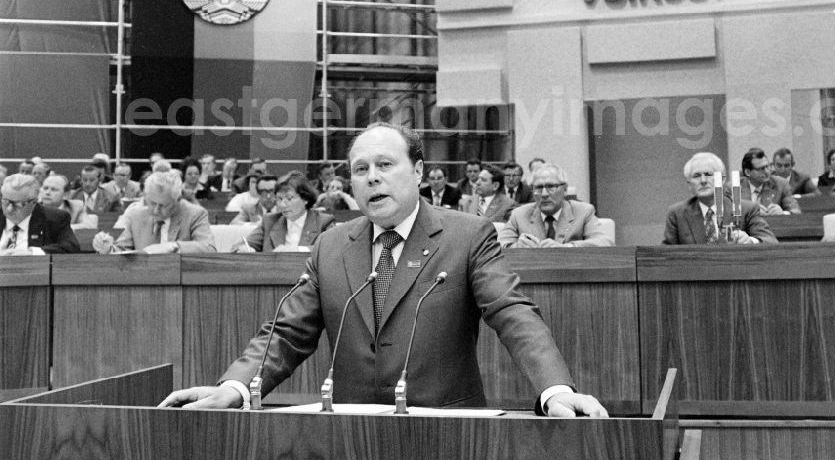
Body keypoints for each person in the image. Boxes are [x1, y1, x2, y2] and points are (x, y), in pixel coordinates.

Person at [158, 122, 607, 417]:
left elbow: (514, 314)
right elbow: (286, 332)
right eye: (360, 169)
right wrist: (234, 388)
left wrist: (555, 391)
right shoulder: (332, 244)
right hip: (351, 437)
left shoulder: (468, 235)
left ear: (418, 171)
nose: (372, 177)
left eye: (385, 165)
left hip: (447, 434)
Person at [662, 152, 777, 246]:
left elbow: (771, 242)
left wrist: (750, 241)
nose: (703, 181)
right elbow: (666, 254)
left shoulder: (746, 209)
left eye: (708, 174)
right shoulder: (677, 213)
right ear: (689, 184)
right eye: (696, 176)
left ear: (722, 180)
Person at [92, 171, 216, 254]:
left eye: (163, 205)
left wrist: (174, 246)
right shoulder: (136, 215)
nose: (156, 210)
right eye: (151, 203)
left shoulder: (195, 214)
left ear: (178, 200)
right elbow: (122, 250)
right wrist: (108, 249)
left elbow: (209, 248)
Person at [498, 163, 614, 248]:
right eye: (538, 188)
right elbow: (498, 246)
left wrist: (567, 248)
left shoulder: (583, 211)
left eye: (551, 187)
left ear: (565, 189)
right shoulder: (520, 214)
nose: (544, 194)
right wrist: (517, 247)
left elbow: (605, 242)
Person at [241, 172, 336, 252]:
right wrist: (244, 249)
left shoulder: (324, 222)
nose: (282, 204)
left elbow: (331, 249)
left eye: (289, 198)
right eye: (279, 198)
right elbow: (240, 246)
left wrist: (296, 250)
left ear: (305, 198)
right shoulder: (270, 221)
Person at [0, 174, 80, 254]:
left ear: (33, 202)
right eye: (6, 202)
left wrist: (33, 253)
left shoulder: (54, 218)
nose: (9, 209)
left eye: (17, 204)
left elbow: (71, 248)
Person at [740, 148, 800, 215]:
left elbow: (796, 210)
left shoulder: (781, 184)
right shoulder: (734, 188)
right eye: (761, 169)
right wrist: (752, 213)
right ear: (748, 172)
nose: (767, 171)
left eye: (767, 166)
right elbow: (730, 215)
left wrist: (784, 213)